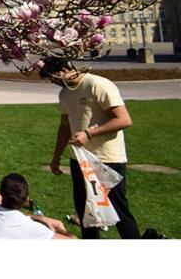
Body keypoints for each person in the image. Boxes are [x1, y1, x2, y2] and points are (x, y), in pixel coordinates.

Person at [40, 56, 141, 239]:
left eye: (54, 78)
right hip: (79, 160)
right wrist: (56, 157)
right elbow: (65, 127)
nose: (54, 83)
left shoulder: (97, 84)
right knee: (86, 212)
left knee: (118, 211)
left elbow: (124, 119)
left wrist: (89, 133)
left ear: (64, 70)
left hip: (107, 159)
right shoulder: (65, 93)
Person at [0, 173, 76, 239]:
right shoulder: (30, 227)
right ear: (26, 200)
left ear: (1, 193)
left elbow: (10, 215)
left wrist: (43, 219)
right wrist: (62, 231)